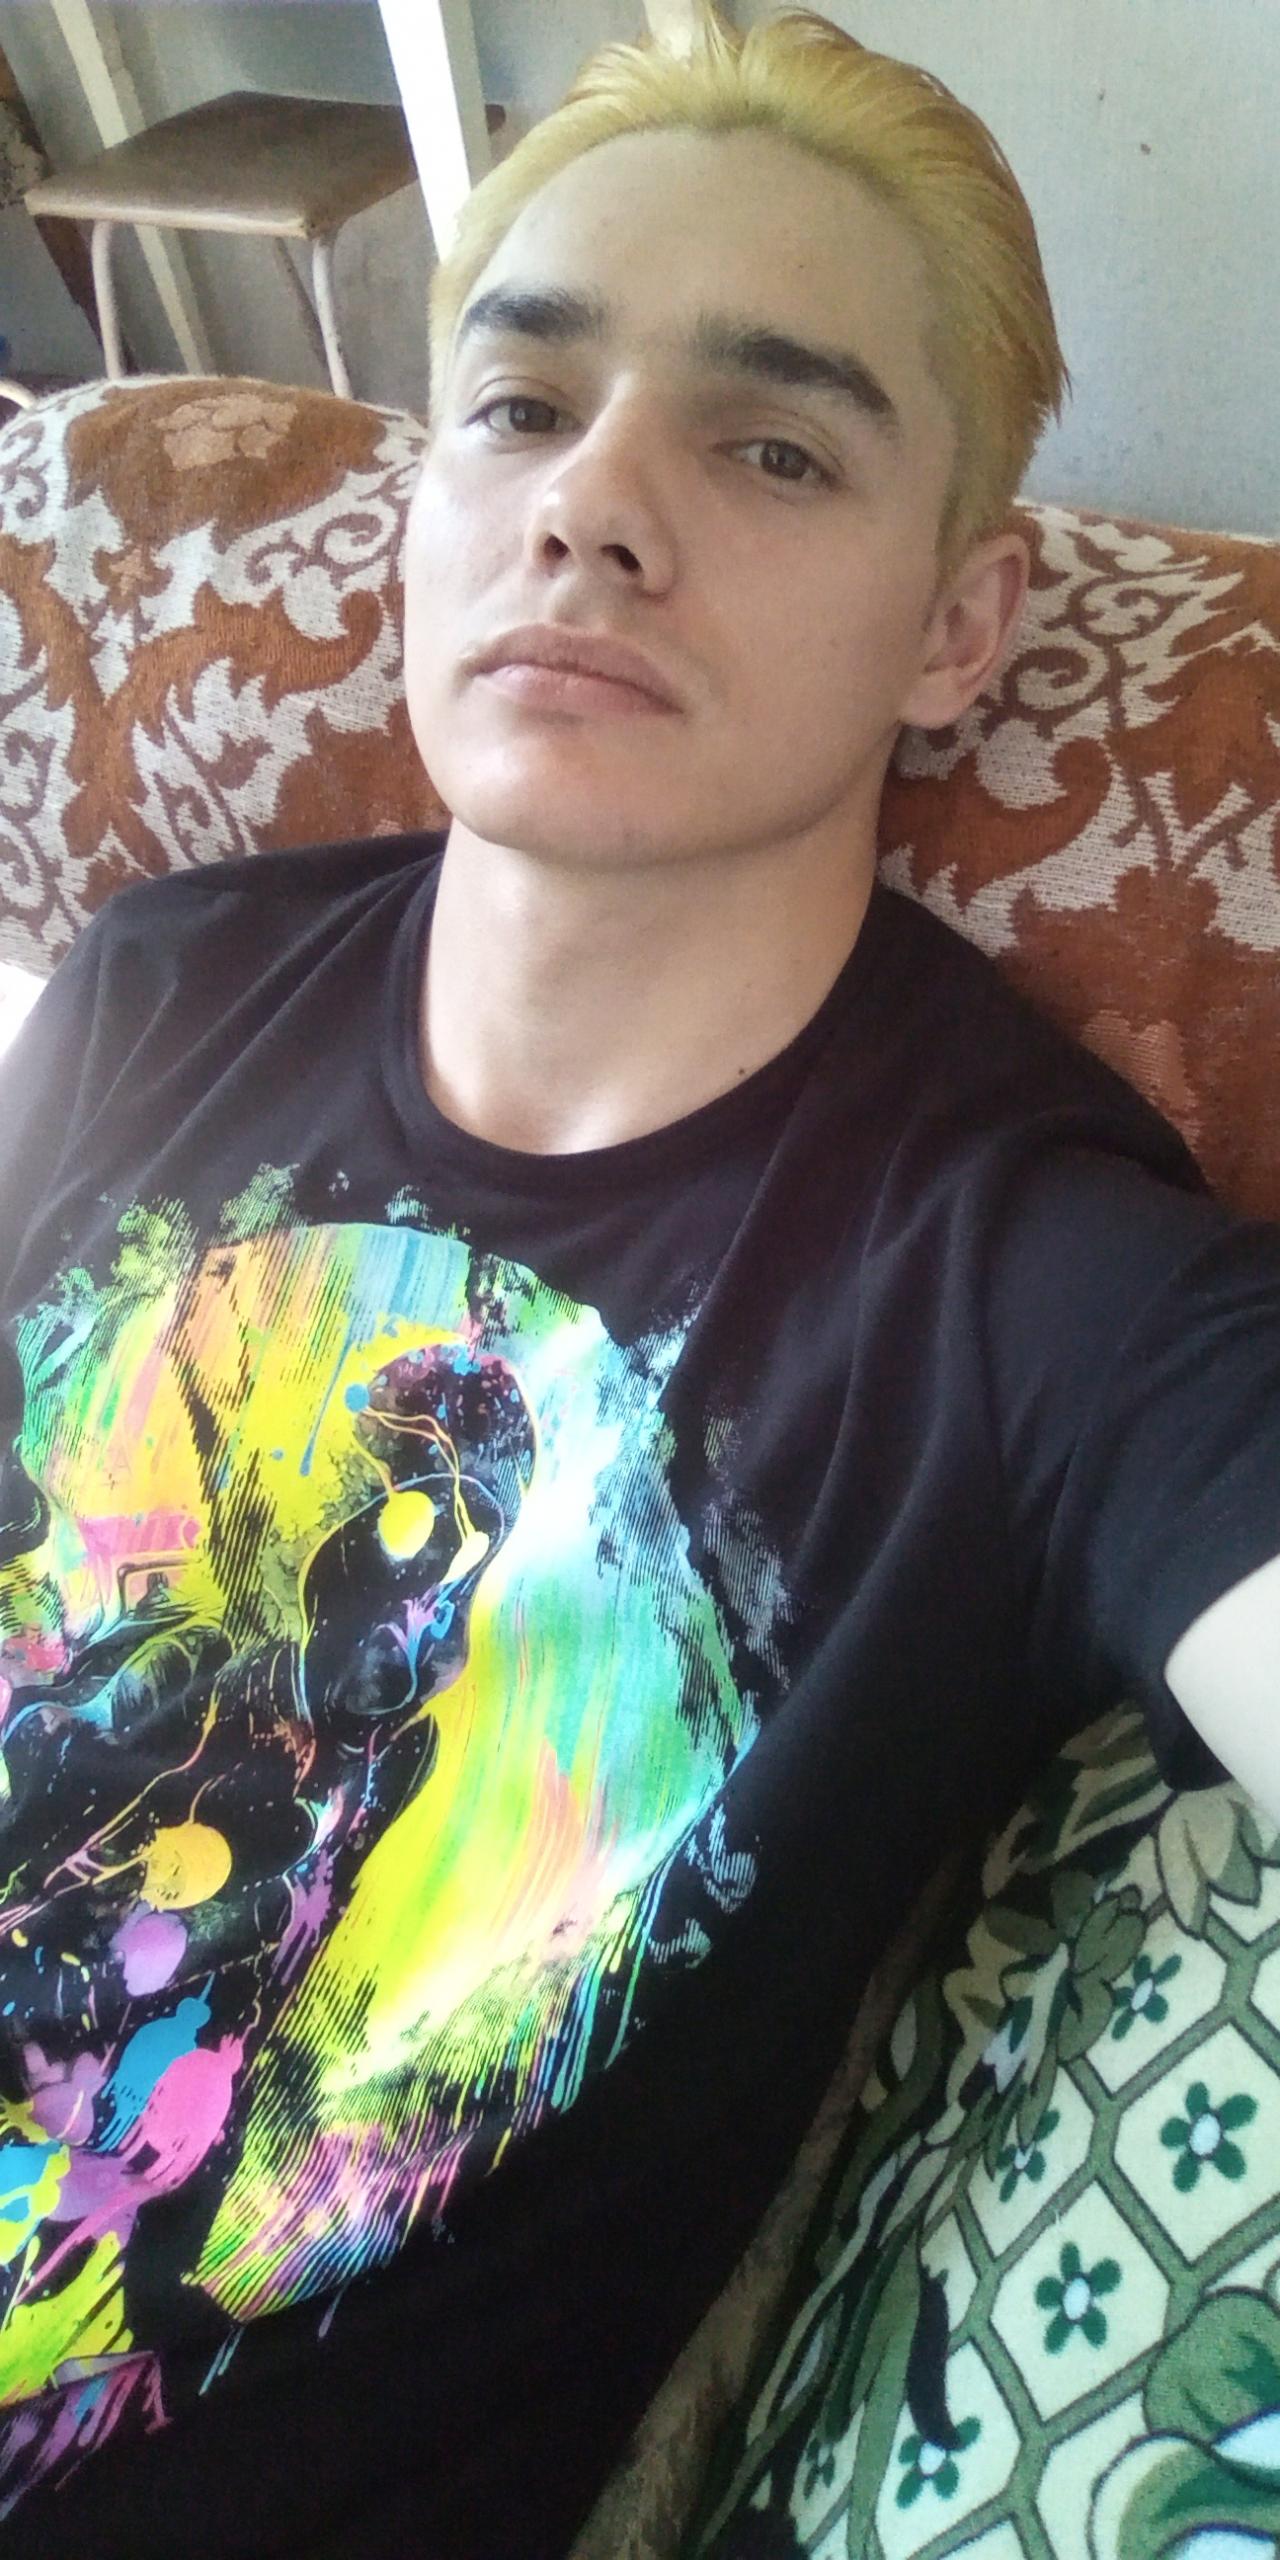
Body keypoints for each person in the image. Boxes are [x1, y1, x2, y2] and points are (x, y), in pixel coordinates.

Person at [0, 8, 1277, 2553]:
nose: (592, 503)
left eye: (772, 446)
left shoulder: (1036, 1297)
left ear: (958, 623)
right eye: (519, 406)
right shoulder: (147, 985)